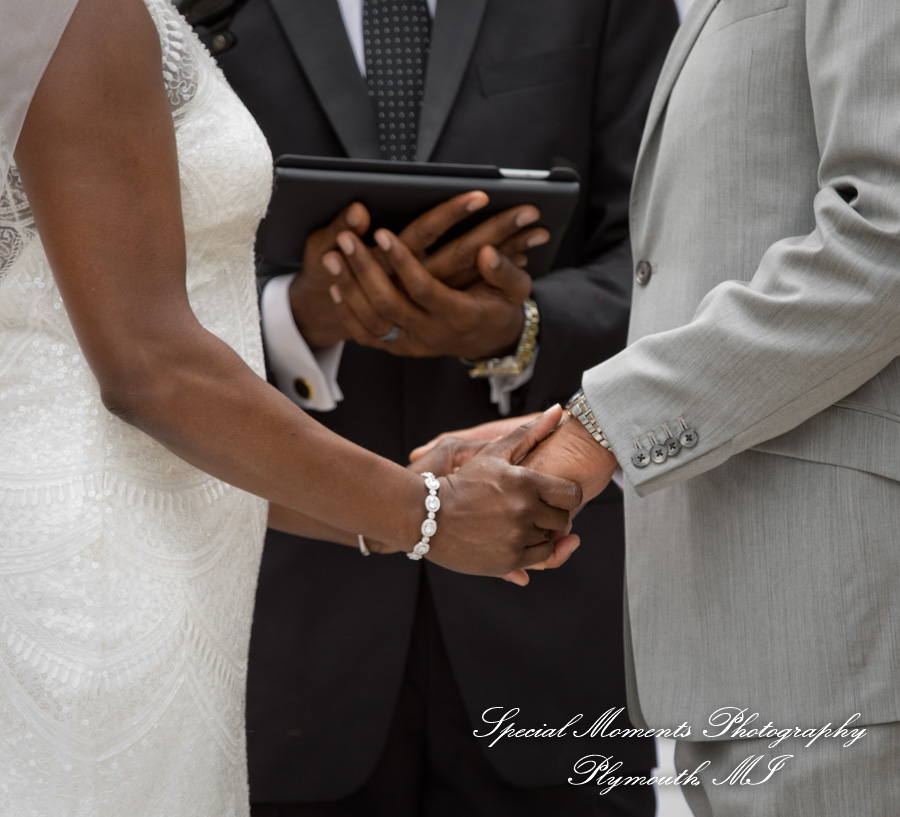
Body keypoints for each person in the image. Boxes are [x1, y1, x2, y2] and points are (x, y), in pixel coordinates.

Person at [0, 1, 584, 814]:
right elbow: (148, 364)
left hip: (145, 534)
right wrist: (427, 511)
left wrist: (397, 501)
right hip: (94, 584)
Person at [428, 0, 900, 813]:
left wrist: (599, 431)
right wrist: (561, 425)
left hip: (837, 628)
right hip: (735, 630)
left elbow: (883, 238)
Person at [216, 2, 678, 814]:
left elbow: (672, 258)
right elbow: (138, 296)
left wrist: (522, 325)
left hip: (554, 617)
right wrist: (301, 317)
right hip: (282, 632)